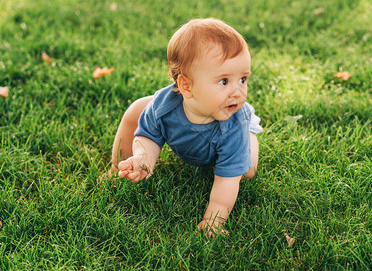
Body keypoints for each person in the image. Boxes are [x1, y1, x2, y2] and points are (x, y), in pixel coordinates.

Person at [103, 18, 263, 237]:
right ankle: (116, 168)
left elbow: (227, 182)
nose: (237, 91)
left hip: (240, 130)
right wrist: (143, 158)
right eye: (224, 81)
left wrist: (213, 220)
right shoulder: (164, 106)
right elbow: (149, 137)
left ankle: (238, 152)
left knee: (245, 170)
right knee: (138, 108)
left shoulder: (234, 122)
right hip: (184, 109)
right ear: (186, 86)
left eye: (243, 79)